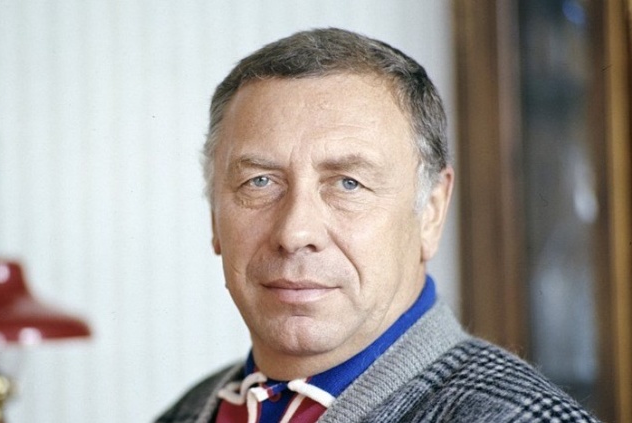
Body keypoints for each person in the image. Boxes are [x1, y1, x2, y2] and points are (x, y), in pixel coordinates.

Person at [156, 28, 598, 423]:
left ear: (431, 211)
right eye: (260, 182)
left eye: (348, 183)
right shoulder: (187, 412)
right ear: (214, 215)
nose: (294, 233)